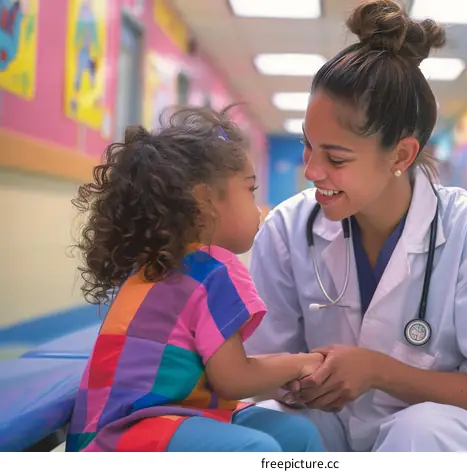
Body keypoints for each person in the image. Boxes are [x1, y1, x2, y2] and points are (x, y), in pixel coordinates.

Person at [244, 0, 467, 453]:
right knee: (267, 428)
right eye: (308, 146)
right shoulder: (287, 229)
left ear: (400, 155)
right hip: (330, 431)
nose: (311, 170)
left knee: (421, 431)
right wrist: (300, 380)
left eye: (336, 157)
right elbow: (261, 370)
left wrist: (377, 371)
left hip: (434, 442)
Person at [66, 106, 326, 453]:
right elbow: (234, 379)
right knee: (255, 450)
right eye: (250, 191)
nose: (258, 208)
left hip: (162, 419)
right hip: (122, 435)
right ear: (205, 202)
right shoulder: (214, 267)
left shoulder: (160, 264)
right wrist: (302, 362)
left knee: (297, 435)